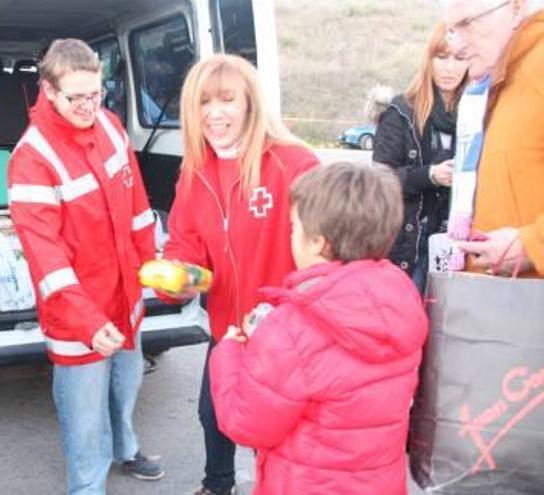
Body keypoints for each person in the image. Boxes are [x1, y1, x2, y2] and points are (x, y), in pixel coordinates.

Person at [209, 162, 429, 494]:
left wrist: (228, 352)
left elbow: (247, 425)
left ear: (316, 243)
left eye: (293, 227)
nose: (290, 235)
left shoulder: (291, 330)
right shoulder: (400, 301)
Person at [157, 54, 318, 495]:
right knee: (215, 414)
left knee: (278, 429)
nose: (214, 112)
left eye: (227, 99)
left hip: (285, 332)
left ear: (250, 102)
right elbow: (185, 245)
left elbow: (326, 252)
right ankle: (218, 485)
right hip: (228, 327)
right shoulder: (194, 173)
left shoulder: (294, 163)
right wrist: (178, 275)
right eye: (204, 102)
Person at [7, 38, 163, 494]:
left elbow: (136, 206)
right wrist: (87, 319)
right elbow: (47, 259)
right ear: (49, 91)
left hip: (124, 295)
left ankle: (125, 449)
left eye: (96, 94)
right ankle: (86, 486)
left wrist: (151, 269)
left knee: (128, 380)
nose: (88, 106)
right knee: (84, 412)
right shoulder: (32, 158)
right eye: (76, 97)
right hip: (78, 312)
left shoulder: (111, 126)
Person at [443, 0, 544, 277]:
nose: (456, 46)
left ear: (515, 8)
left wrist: (533, 245)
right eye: (451, 30)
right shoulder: (494, 83)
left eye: (466, 24)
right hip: (502, 302)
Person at [373, 21, 469, 290]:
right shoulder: (400, 111)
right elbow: (380, 180)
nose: (450, 68)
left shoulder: (479, 112)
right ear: (429, 59)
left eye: (459, 58)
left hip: (458, 244)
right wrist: (431, 175)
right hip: (408, 246)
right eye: (442, 57)